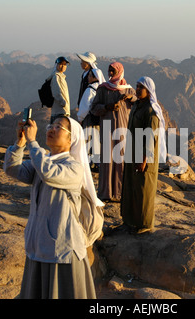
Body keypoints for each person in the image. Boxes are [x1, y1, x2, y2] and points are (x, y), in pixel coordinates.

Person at [3, 115, 96, 299]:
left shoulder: (74, 167)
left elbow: (49, 173)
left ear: (71, 139)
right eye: (50, 125)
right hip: (38, 246)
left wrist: (32, 142)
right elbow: (12, 169)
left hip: (62, 252)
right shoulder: (43, 161)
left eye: (59, 127)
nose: (51, 129)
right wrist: (20, 143)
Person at [120, 76, 166, 234]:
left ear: (149, 90)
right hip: (132, 153)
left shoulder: (151, 111)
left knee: (143, 190)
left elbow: (151, 138)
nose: (138, 89)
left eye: (141, 87)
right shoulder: (136, 106)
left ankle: (145, 224)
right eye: (137, 86)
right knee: (130, 187)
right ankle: (129, 220)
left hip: (144, 157)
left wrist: (144, 159)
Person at [90, 62, 137, 201]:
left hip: (123, 128)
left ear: (119, 71)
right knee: (107, 160)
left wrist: (131, 98)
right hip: (107, 128)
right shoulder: (103, 89)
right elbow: (94, 108)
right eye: (109, 70)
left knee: (121, 160)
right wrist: (107, 107)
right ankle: (106, 192)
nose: (110, 73)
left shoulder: (128, 90)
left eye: (113, 71)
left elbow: (139, 103)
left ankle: (120, 192)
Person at [77, 68, 106, 167]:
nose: (88, 78)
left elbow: (85, 106)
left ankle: (88, 164)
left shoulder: (90, 89)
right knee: (97, 141)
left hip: (89, 118)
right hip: (99, 119)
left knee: (88, 141)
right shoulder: (103, 90)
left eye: (90, 76)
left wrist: (80, 119)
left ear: (95, 77)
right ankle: (97, 164)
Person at [48, 56, 70, 122]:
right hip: (59, 112)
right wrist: (63, 103)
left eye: (64, 64)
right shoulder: (56, 77)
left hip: (62, 111)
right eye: (60, 64)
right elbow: (56, 92)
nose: (63, 66)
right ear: (56, 65)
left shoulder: (62, 77)